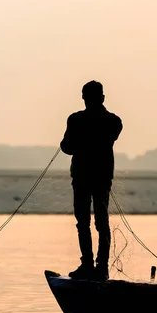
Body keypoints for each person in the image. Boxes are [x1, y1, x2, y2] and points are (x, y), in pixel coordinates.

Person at [60, 80, 123, 281]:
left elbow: (66, 147)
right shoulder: (113, 121)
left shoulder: (78, 120)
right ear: (102, 98)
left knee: (87, 222)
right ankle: (95, 266)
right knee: (97, 222)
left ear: (84, 98)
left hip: (87, 177)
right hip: (96, 178)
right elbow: (68, 147)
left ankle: (94, 266)